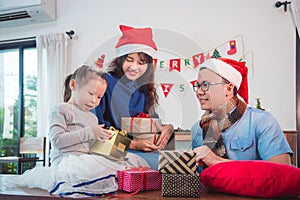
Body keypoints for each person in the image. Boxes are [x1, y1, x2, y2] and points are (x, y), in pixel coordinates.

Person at [4, 65, 148, 197]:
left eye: (99, 97)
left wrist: (106, 144)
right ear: (73, 85)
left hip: (86, 159)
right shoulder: (60, 110)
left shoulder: (92, 117)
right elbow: (57, 140)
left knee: (130, 160)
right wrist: (89, 132)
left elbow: (91, 146)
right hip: (66, 162)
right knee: (84, 169)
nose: (94, 101)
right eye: (91, 93)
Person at [94, 25, 174, 170]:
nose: (134, 67)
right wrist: (134, 144)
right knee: (161, 167)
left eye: (141, 63)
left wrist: (167, 128)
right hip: (108, 150)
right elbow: (96, 134)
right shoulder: (104, 83)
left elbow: (150, 124)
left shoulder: (144, 90)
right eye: (129, 60)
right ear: (120, 60)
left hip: (136, 150)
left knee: (171, 164)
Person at [191, 58, 293, 168]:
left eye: (206, 85)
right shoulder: (197, 129)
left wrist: (216, 161)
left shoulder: (262, 121)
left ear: (229, 89)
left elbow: (282, 172)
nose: (199, 92)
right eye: (197, 85)